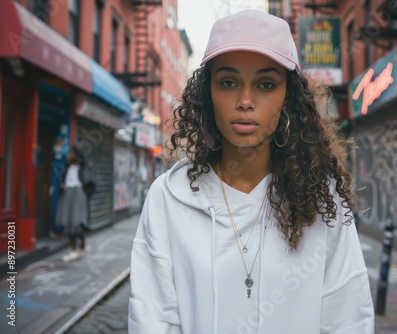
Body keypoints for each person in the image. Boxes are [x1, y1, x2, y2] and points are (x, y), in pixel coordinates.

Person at [129, 9, 374, 333]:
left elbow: (347, 319)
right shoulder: (169, 198)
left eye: (265, 84)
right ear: (208, 93)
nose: (245, 100)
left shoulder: (322, 199)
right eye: (228, 82)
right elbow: (152, 320)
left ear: (288, 97)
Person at [56, 145, 95, 262]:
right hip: (68, 195)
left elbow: (91, 183)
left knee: (77, 223)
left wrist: (84, 191)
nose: (69, 156)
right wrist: (62, 184)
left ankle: (81, 246)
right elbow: (62, 180)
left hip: (78, 197)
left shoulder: (84, 168)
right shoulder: (67, 168)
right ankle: (74, 249)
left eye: (71, 154)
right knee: (67, 222)